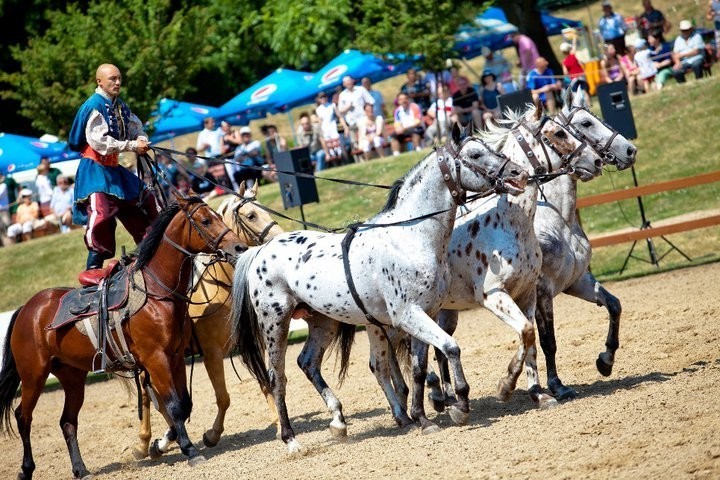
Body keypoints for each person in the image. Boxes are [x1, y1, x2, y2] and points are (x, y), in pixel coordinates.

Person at [68, 63, 159, 274]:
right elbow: (100, 143)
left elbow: (135, 127)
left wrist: (141, 138)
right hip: (95, 169)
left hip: (113, 169)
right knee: (101, 214)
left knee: (144, 200)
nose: (117, 82)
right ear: (99, 81)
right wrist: (132, 146)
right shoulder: (94, 106)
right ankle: (92, 269)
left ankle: (150, 251)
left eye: (119, 78)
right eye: (112, 79)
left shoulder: (120, 106)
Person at [337, 76, 375, 150]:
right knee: (355, 144)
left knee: (366, 140)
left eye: (349, 81)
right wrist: (347, 107)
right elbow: (340, 111)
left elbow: (371, 102)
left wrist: (370, 116)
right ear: (344, 84)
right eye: (346, 82)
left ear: (352, 81)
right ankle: (361, 160)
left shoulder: (361, 89)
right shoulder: (342, 95)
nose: (348, 83)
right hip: (352, 123)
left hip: (364, 120)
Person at [315, 91, 347, 166]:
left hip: (333, 127)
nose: (323, 99)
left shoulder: (332, 106)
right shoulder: (318, 109)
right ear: (319, 99)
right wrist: (321, 131)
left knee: (338, 145)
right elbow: (320, 121)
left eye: (324, 97)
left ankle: (342, 159)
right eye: (321, 97)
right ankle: (334, 162)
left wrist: (344, 126)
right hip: (325, 129)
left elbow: (339, 116)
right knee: (330, 147)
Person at [559, 41, 591, 106]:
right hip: (582, 76)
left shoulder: (564, 62)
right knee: (584, 91)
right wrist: (574, 39)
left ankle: (578, 105)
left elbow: (565, 73)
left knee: (575, 93)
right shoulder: (573, 56)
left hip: (574, 78)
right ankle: (589, 104)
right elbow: (582, 62)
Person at [0, 171, 11, 246]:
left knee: (7, 227)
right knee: (1, 229)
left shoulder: (3, 185)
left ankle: (10, 244)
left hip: (3, 210)